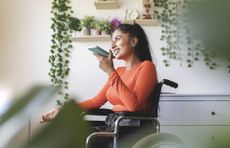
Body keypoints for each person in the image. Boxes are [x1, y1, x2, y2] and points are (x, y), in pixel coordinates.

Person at [41, 23, 157, 126]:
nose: (112, 45)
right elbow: (96, 101)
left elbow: (133, 106)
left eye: (117, 39)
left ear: (133, 41)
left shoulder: (146, 66)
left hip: (133, 128)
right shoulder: (120, 71)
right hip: (116, 124)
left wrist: (110, 71)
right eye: (112, 41)